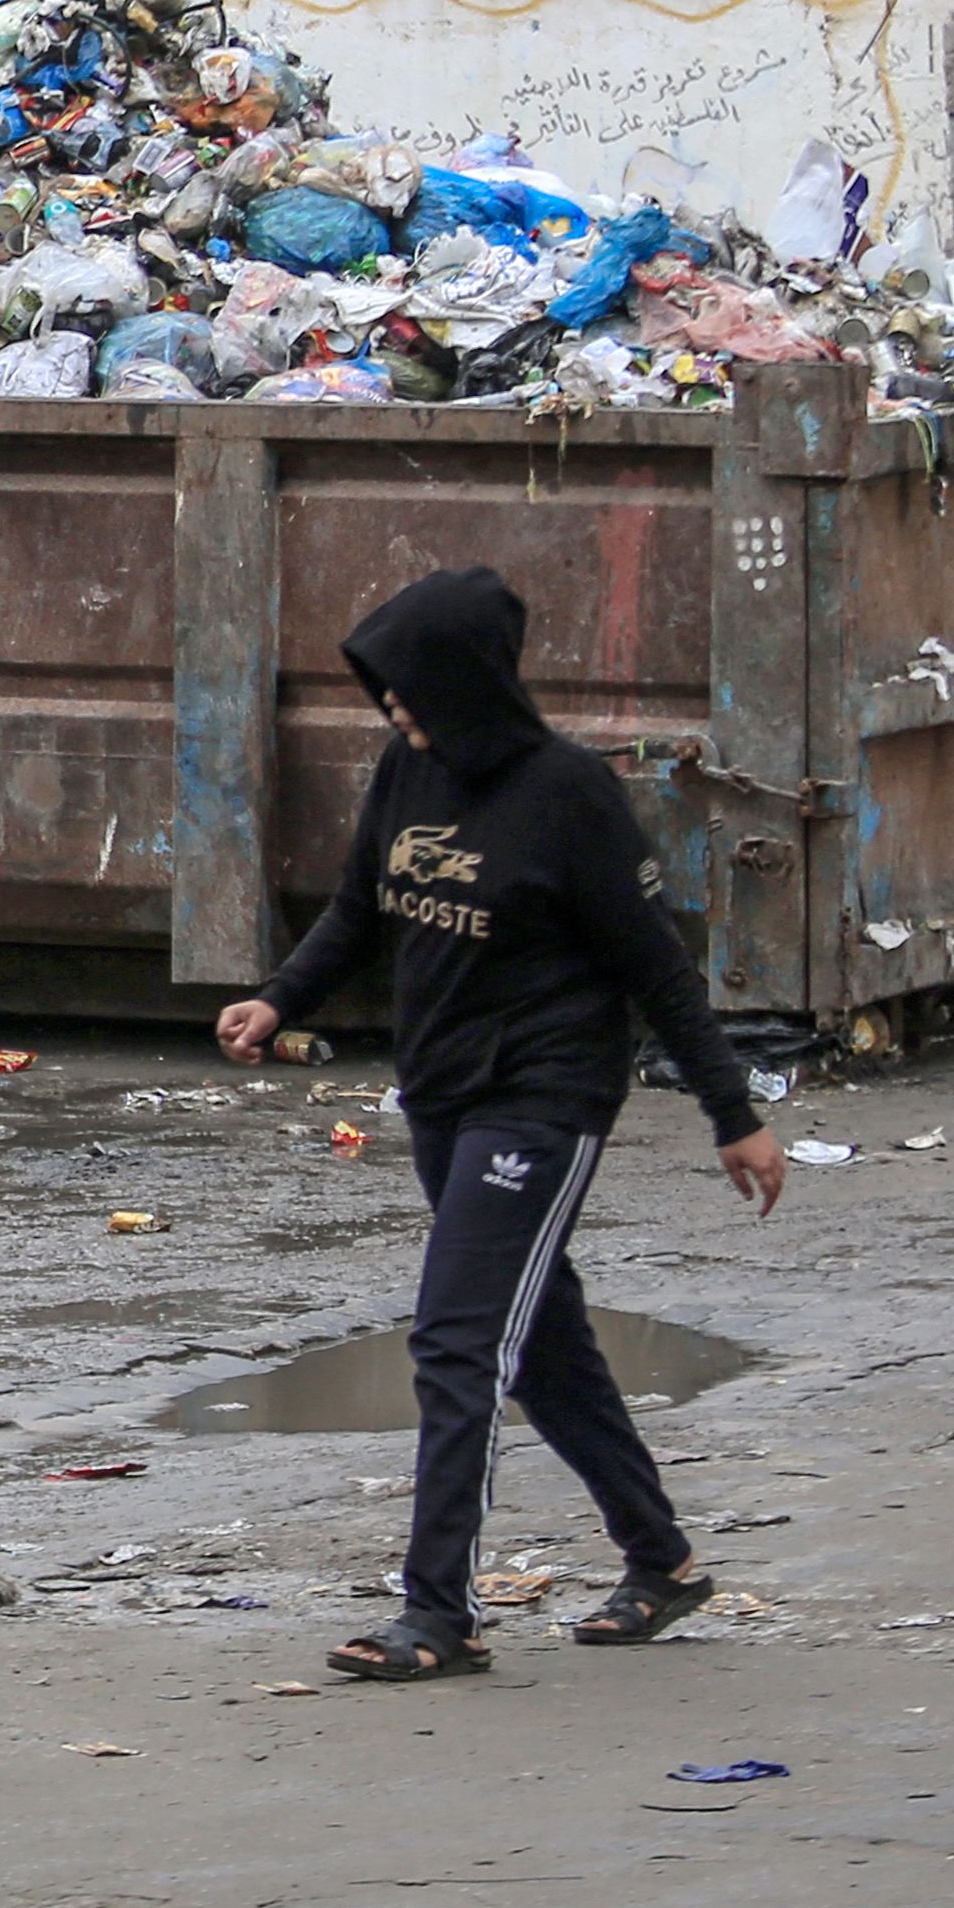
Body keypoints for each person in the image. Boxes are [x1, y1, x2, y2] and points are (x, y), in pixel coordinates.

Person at [220, 565, 790, 1683]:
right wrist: (280, 997)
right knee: (547, 1350)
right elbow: (356, 909)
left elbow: (658, 972)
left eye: (411, 688)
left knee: (459, 1338)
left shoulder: (569, 795)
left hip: (544, 1099)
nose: (396, 710)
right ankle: (662, 1562)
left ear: (467, 682)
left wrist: (736, 1115)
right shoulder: (407, 771)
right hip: (441, 1094)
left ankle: (439, 1613)